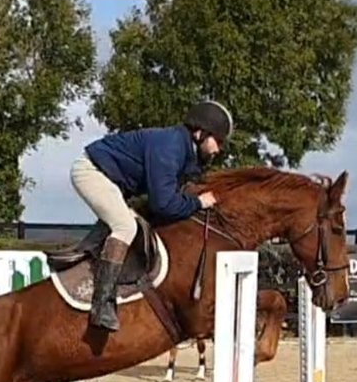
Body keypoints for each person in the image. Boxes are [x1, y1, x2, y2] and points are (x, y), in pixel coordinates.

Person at [70, 100, 234, 331]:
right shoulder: (171, 146)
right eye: (218, 140)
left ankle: (83, 263)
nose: (219, 148)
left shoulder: (185, 151)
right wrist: (198, 202)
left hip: (113, 183)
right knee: (126, 227)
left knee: (130, 223)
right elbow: (164, 205)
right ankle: (101, 304)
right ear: (200, 133)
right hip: (92, 172)